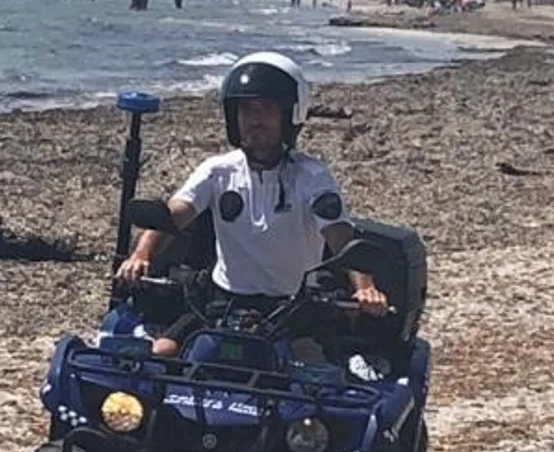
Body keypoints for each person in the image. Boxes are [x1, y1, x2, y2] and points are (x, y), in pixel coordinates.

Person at [115, 51, 388, 357]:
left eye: (266, 109)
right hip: (222, 301)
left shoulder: (312, 177)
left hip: (293, 308)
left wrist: (365, 286)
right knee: (162, 353)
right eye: (247, 109)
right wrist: (141, 255)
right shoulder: (217, 171)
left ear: (289, 115)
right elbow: (172, 216)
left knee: (312, 375)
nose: (255, 120)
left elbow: (341, 237)